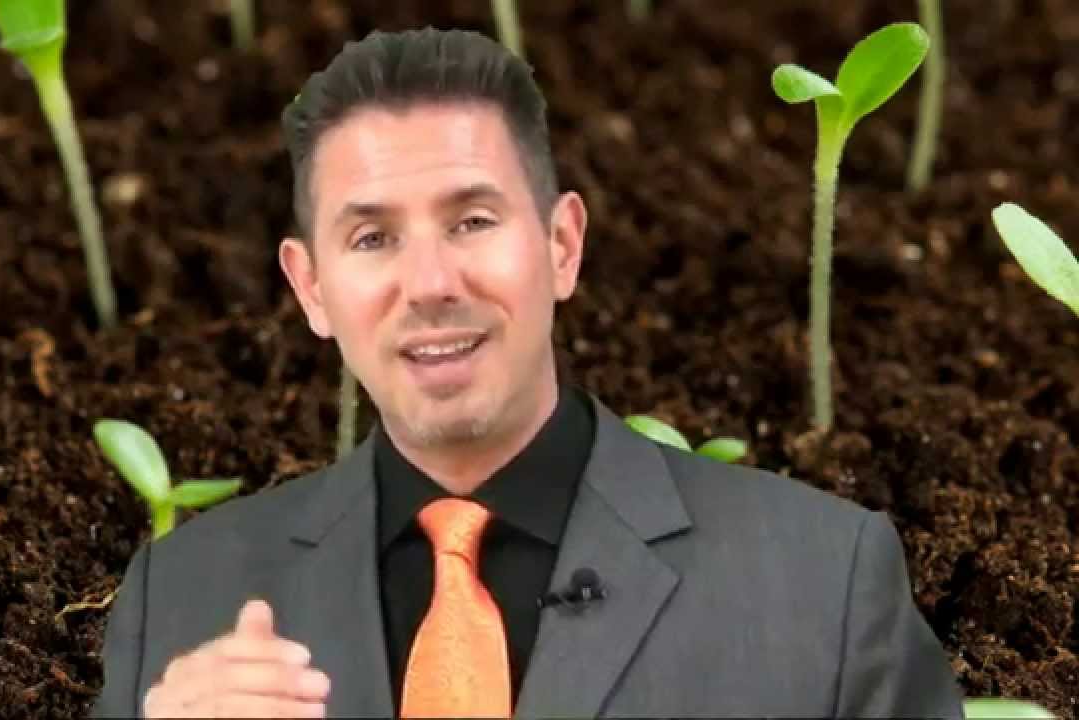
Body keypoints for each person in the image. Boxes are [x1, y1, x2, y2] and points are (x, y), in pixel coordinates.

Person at [91, 27, 965, 719]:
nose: (430, 284)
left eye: (472, 221)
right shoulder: (182, 602)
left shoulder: (820, 583)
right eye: (372, 237)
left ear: (562, 244)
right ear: (311, 287)